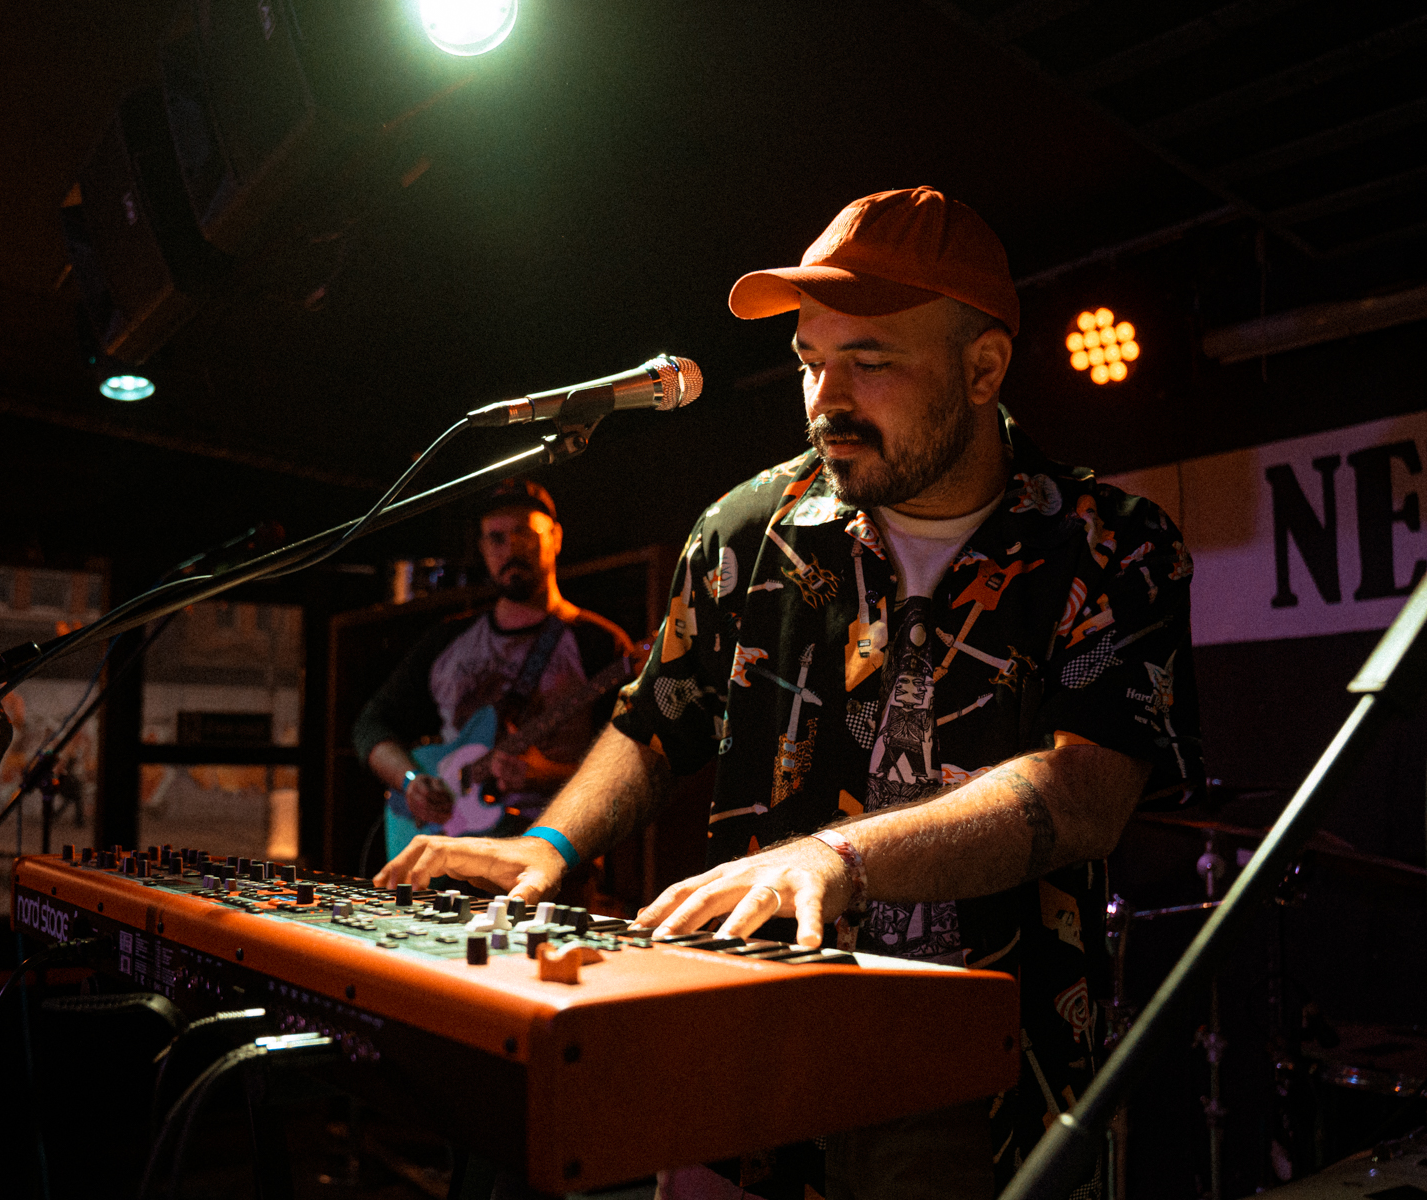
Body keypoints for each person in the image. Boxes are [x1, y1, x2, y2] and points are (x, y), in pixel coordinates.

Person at [377, 187, 1201, 1197]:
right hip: (744, 1039)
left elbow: (1087, 794)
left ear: (983, 368)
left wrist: (838, 857)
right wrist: (549, 845)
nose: (825, 399)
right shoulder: (743, 528)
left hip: (971, 1073)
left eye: (870, 361)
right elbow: (656, 718)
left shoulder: (1111, 546)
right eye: (811, 360)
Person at [355, 480, 635, 862]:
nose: (510, 548)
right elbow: (371, 725)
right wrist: (411, 781)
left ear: (555, 538)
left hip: (551, 856)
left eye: (524, 533)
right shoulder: (446, 641)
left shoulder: (599, 643)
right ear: (483, 547)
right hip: (444, 850)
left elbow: (629, 767)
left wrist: (544, 775)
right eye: (496, 538)